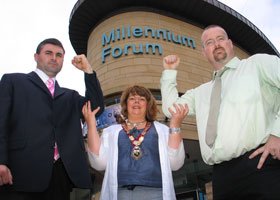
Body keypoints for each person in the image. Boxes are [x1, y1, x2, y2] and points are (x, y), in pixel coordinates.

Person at [160, 25, 280, 199]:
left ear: (230, 43)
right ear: (204, 52)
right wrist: (169, 73)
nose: (216, 44)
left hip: (261, 164)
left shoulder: (257, 64)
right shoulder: (199, 92)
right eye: (209, 42)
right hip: (222, 176)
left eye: (220, 39)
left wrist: (277, 134)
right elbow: (171, 110)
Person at [0, 38, 104, 200]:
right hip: (19, 174)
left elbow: (95, 107)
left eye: (59, 55)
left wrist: (88, 71)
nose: (54, 58)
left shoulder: (69, 96)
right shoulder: (13, 82)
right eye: (48, 53)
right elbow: (1, 123)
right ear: (36, 57)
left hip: (59, 179)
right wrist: (1, 161)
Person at [82, 85, 186, 200]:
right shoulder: (111, 132)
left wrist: (175, 125)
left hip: (156, 193)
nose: (136, 101)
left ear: (148, 104)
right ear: (126, 104)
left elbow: (175, 164)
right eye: (132, 99)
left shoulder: (163, 130)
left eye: (142, 99)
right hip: (120, 194)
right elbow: (99, 163)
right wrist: (91, 125)